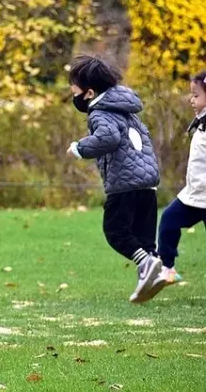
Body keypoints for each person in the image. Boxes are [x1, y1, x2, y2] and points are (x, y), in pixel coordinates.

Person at [66, 55, 161, 303]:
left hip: (124, 183)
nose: (72, 96)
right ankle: (153, 277)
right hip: (148, 183)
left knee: (115, 231)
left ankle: (148, 264)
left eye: (73, 91)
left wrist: (80, 148)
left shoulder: (100, 113)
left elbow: (108, 138)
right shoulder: (126, 110)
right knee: (143, 238)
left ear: (88, 93)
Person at [151, 70, 206, 297]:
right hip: (194, 196)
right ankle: (168, 268)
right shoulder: (201, 122)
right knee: (168, 221)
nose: (191, 100)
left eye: (196, 95)